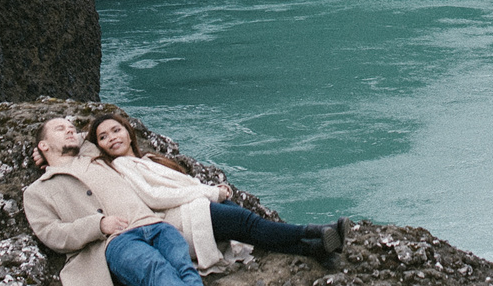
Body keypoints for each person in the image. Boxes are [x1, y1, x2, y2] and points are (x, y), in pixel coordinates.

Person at [21, 114, 235, 286]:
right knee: (157, 270)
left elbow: (92, 132)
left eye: (71, 128)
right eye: (60, 129)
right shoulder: (38, 191)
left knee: (183, 268)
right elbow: (51, 233)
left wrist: (55, 143)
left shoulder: (90, 151)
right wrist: (98, 225)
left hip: (154, 223)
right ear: (44, 145)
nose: (70, 131)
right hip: (115, 241)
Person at [83, 109, 347, 269]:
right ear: (100, 147)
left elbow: (182, 184)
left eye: (116, 130)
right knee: (249, 223)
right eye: (103, 137)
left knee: (251, 230)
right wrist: (210, 193)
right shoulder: (121, 167)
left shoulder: (147, 160)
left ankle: (315, 248)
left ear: (129, 133)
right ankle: (321, 231)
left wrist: (210, 190)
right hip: (183, 217)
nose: (112, 138)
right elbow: (155, 197)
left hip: (195, 205)